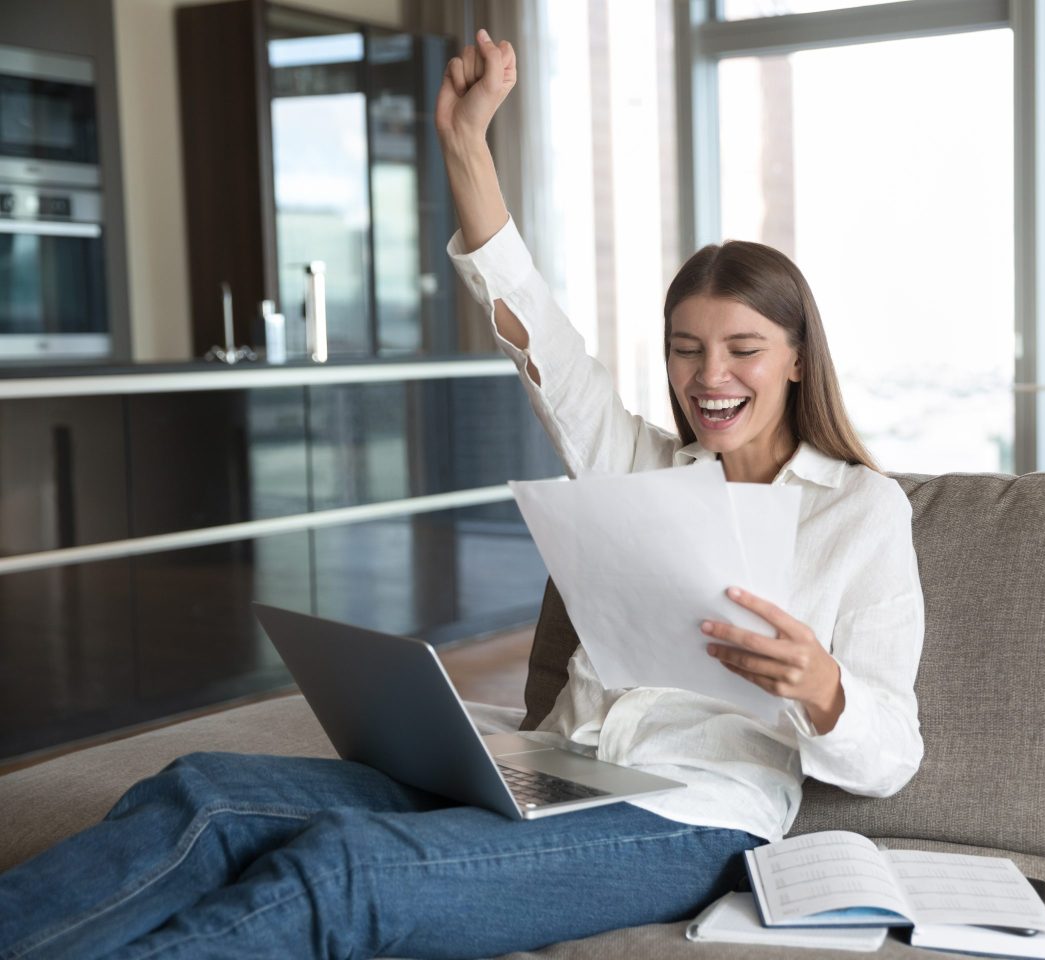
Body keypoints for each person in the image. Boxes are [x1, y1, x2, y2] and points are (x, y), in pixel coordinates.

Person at [0, 29, 924, 960]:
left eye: (742, 349)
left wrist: (826, 687)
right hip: (558, 770)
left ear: (798, 357)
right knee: (200, 793)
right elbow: (541, 342)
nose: (708, 375)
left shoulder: (860, 511)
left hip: (697, 817)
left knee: (342, 872)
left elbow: (894, 755)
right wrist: (465, 143)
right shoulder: (642, 468)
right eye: (686, 349)